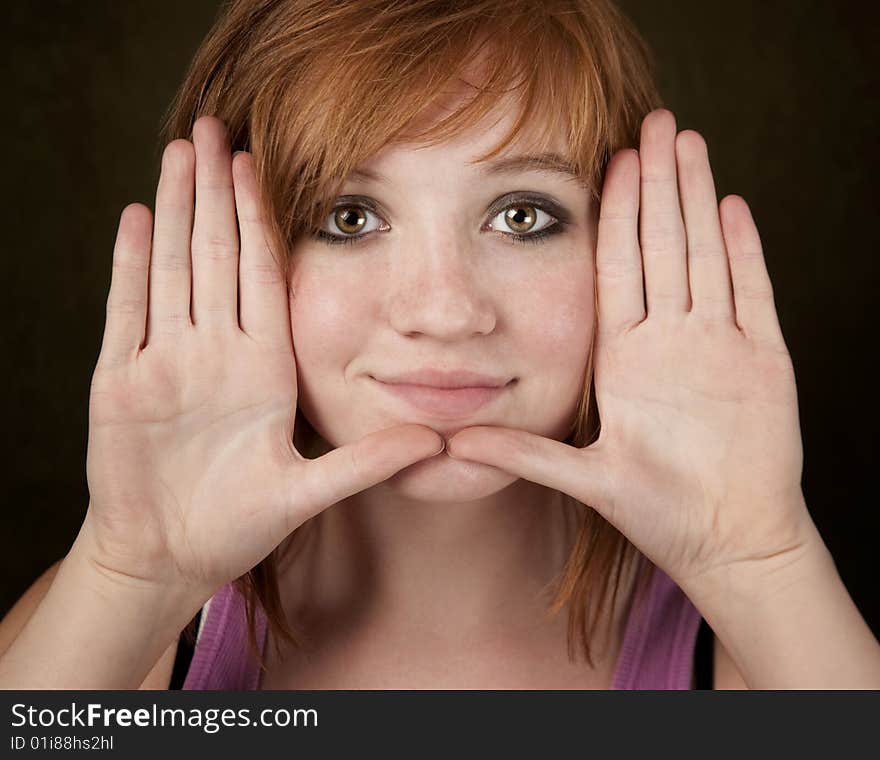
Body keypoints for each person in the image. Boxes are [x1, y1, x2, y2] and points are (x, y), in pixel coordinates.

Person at [2, 0, 878, 690]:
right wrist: (133, 582)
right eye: (349, 217)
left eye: (522, 216)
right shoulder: (134, 639)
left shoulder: (746, 655)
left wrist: (761, 564)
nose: (446, 311)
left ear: (628, 239)